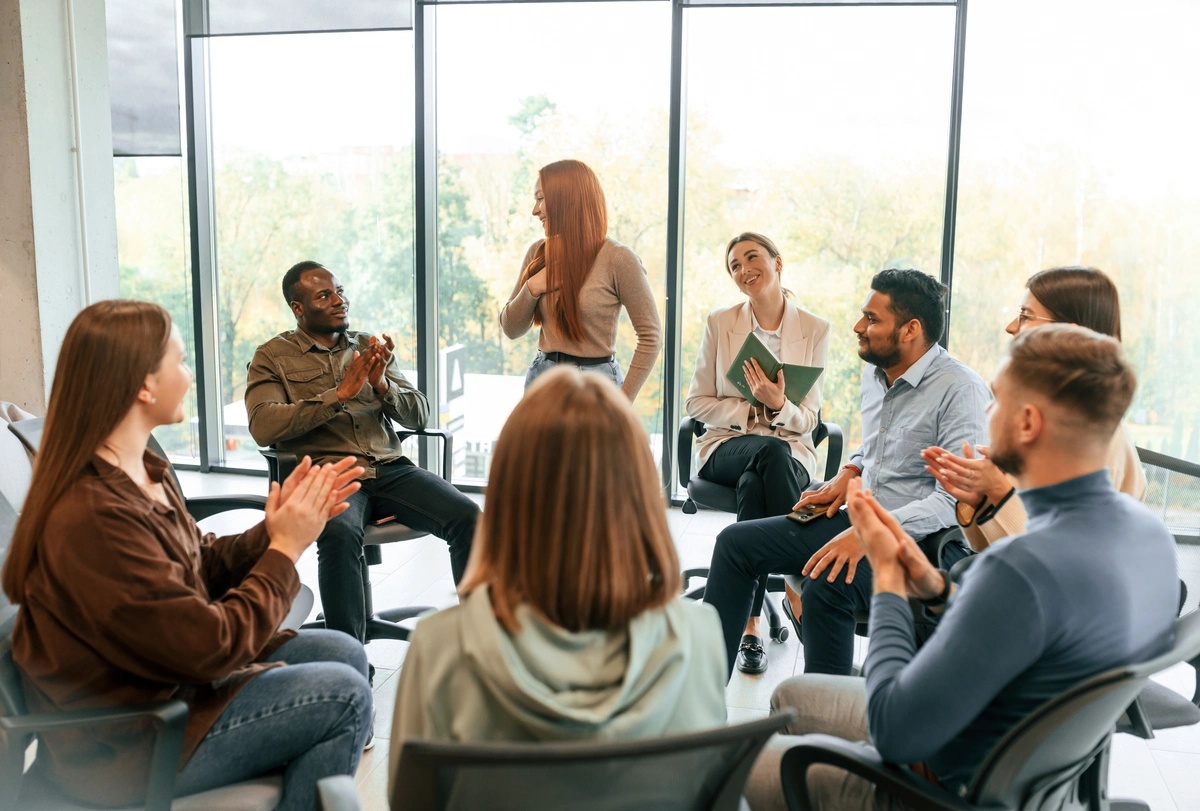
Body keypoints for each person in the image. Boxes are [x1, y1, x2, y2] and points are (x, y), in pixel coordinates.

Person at [747, 324, 1179, 810]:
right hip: (1036, 776)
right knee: (793, 695)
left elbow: (893, 731)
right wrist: (930, 584)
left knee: (745, 764)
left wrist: (889, 579)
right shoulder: (1151, 538)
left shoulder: (1021, 569)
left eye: (996, 400)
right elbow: (1028, 631)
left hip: (940, 786)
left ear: (1028, 423)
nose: (987, 412)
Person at [2, 300, 373, 810]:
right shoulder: (95, 516)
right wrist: (285, 549)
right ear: (142, 385)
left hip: (170, 686)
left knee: (343, 652)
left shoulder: (142, 468)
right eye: (178, 362)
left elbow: (199, 562)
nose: (189, 374)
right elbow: (210, 646)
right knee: (343, 694)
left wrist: (273, 529)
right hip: (129, 743)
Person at [389, 367, 727, 799]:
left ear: (510, 493)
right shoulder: (701, 635)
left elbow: (410, 803)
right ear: (640, 494)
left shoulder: (441, 648)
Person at [703, 269, 990, 677]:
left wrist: (871, 534)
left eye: (872, 319)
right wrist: (852, 469)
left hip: (917, 541)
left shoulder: (961, 390)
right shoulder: (877, 375)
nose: (859, 327)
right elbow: (878, 443)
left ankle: (825, 724)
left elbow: (953, 501)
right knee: (735, 543)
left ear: (911, 330)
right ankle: (702, 696)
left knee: (826, 584)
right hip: (861, 517)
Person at [246, 261, 480, 650]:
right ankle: (351, 663)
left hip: (389, 468)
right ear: (298, 308)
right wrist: (337, 397)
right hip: (330, 474)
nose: (340, 301)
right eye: (325, 295)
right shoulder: (272, 356)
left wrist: (382, 385)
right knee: (338, 534)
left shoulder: (367, 346)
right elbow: (263, 425)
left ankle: (478, 646)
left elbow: (421, 415)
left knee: (469, 518)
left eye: (340, 291)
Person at [686, 232, 831, 674]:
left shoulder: (814, 329)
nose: (744, 269)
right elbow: (696, 403)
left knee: (758, 480)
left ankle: (748, 627)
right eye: (734, 265)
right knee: (766, 453)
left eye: (752, 258)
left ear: (777, 262)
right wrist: (754, 406)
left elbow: (810, 419)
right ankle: (795, 577)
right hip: (727, 445)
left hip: (790, 453)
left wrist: (781, 405)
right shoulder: (720, 323)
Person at [922, 266, 1146, 551]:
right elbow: (991, 548)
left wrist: (999, 492)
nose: (1011, 327)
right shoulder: (1048, 420)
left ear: (1066, 334)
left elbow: (1060, 559)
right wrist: (978, 500)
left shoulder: (1096, 438)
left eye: (1026, 316)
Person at [500, 158, 663, 399]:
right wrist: (533, 287)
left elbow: (651, 337)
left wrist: (622, 402)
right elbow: (511, 329)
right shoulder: (538, 252)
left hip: (596, 386)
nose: (535, 210)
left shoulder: (618, 259)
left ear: (566, 199)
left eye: (541, 199)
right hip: (542, 382)